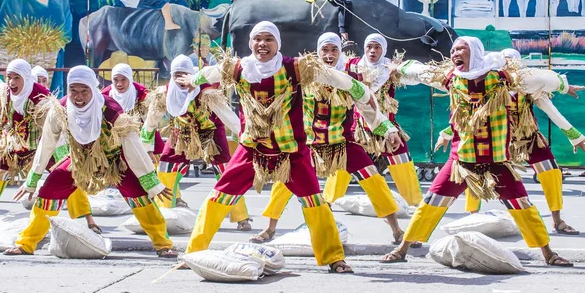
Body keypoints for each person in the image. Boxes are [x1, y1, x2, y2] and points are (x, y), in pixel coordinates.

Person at [178, 21, 387, 273]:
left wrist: (380, 121)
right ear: (251, 43)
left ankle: (334, 258)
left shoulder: (296, 68)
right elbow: (210, 74)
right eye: (257, 39)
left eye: (268, 39)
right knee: (218, 197)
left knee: (314, 203)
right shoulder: (238, 68)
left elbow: (344, 82)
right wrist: (192, 79)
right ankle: (192, 253)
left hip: (291, 154)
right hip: (251, 151)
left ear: (278, 44)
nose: (262, 44)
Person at [380, 36, 582, 267]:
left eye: (461, 49)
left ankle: (548, 254)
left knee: (522, 205)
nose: (455, 52)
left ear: (475, 52)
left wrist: (564, 86)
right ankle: (403, 248)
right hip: (460, 163)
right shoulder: (450, 79)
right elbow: (422, 72)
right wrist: (399, 66)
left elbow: (539, 78)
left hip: (497, 162)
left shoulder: (503, 79)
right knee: (431, 203)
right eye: (453, 49)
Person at [250, 32, 414, 246]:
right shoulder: (304, 77)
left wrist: (388, 130)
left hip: (342, 144)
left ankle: (396, 230)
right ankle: (269, 228)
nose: (329, 55)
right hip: (309, 144)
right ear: (318, 52)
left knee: (374, 180)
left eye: (333, 50)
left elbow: (368, 108)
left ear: (340, 53)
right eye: (325, 50)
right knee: (284, 182)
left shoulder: (349, 79)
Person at [4, 66, 177, 258]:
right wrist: (32, 181)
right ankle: (26, 244)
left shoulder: (111, 112)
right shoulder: (60, 110)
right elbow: (46, 144)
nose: (78, 97)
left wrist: (152, 183)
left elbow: (133, 148)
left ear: (92, 89)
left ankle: (163, 244)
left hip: (113, 162)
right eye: (73, 91)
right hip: (78, 161)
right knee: (49, 190)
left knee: (139, 195)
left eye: (84, 91)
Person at [436, 48, 585, 235]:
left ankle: (557, 220)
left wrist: (575, 136)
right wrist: (447, 134)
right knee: (472, 170)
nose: (508, 65)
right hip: (496, 140)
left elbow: (550, 109)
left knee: (551, 172)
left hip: (526, 138)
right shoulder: (488, 85)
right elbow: (470, 118)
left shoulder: (528, 86)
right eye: (504, 61)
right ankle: (472, 217)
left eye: (512, 62)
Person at [143, 55, 253, 230]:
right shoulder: (165, 93)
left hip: (211, 133)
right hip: (183, 132)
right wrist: (146, 147)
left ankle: (241, 217)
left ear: (190, 74)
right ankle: (165, 213)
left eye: (184, 74)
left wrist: (246, 136)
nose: (180, 79)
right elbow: (151, 121)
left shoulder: (206, 92)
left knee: (226, 171)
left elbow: (228, 116)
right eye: (176, 75)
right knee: (166, 168)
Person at [0, 60, 93, 230]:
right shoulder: (4, 93)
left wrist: (67, 156)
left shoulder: (41, 101)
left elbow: (55, 133)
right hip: (14, 147)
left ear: (26, 78)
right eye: (9, 77)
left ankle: (88, 219)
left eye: (16, 78)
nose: (11, 82)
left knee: (66, 176)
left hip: (41, 147)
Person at [327, 34, 422, 208]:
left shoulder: (389, 68)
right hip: (358, 127)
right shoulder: (352, 65)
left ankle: (414, 202)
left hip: (386, 125)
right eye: (369, 46)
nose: (372, 50)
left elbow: (414, 79)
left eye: (377, 47)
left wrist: (401, 69)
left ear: (383, 50)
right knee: (344, 160)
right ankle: (329, 200)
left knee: (402, 159)